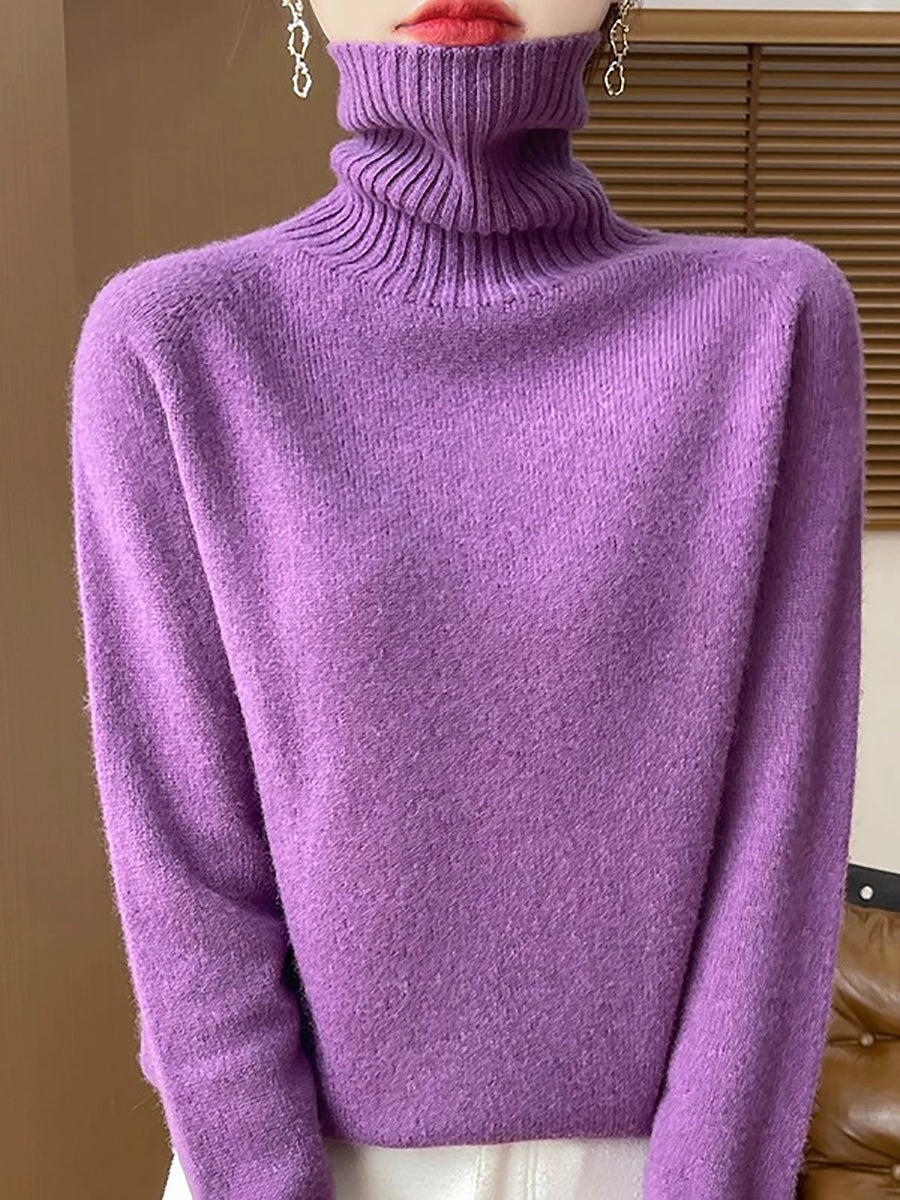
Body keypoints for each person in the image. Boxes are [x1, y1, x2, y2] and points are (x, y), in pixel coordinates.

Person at [67, 0, 866, 1197]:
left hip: (650, 1170)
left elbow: (781, 835)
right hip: (287, 1166)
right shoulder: (174, 345)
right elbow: (182, 865)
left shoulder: (772, 327)